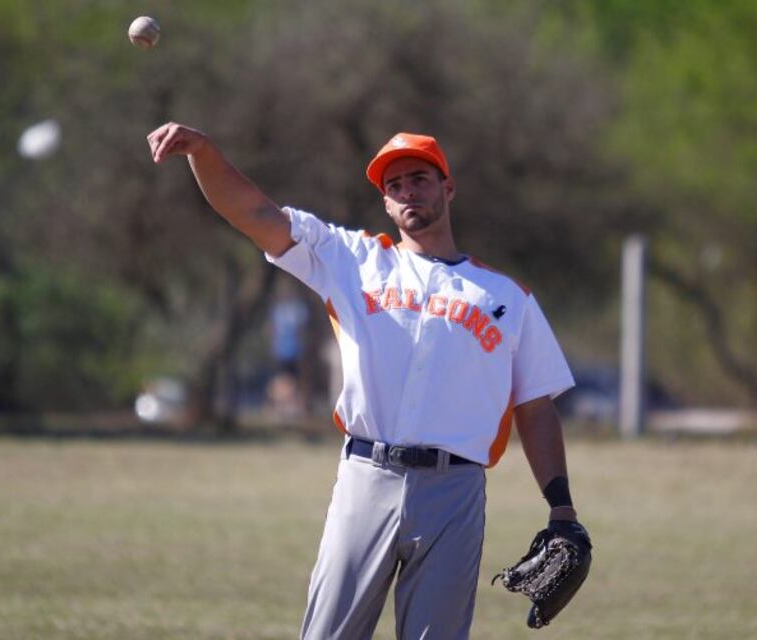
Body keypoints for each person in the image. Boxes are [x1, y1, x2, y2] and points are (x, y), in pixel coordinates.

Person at [148, 124, 585, 639]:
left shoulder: (506, 296)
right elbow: (254, 214)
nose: (407, 192)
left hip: (455, 489)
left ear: (448, 188)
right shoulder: (353, 261)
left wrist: (561, 507)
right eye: (394, 185)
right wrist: (202, 152)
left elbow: (535, 408)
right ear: (384, 203)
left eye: (419, 178)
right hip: (366, 477)